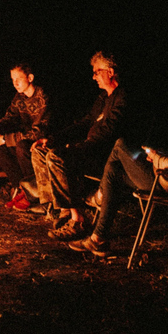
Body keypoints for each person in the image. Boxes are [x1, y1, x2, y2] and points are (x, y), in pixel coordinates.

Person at [68, 71, 168, 256]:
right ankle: (98, 238)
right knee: (114, 171)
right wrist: (158, 153)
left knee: (120, 145)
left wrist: (158, 158)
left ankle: (100, 197)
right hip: (163, 174)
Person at [39, 51, 127, 241]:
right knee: (41, 150)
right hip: (89, 149)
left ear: (110, 72)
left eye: (97, 71)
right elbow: (85, 122)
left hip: (103, 155)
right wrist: (54, 138)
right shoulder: (103, 98)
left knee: (57, 157)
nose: (93, 76)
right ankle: (63, 210)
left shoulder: (122, 99)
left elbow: (110, 132)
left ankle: (78, 220)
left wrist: (80, 147)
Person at [0, 63, 50, 210]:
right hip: (23, 141)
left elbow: (38, 132)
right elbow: (10, 117)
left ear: (30, 78)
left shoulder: (43, 97)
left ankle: (33, 193)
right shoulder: (19, 97)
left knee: (21, 146)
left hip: (42, 143)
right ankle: (19, 187)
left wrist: (3, 139)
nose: (15, 83)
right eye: (12, 79)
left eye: (19, 79)